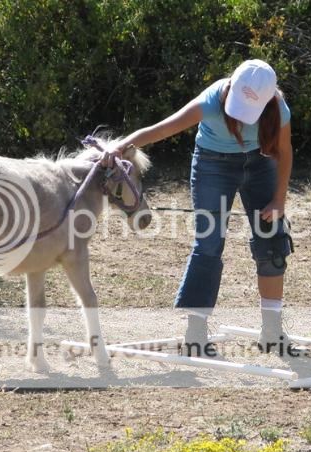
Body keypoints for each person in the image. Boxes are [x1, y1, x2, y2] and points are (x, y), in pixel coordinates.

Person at [103, 59, 297, 357]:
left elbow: (284, 152)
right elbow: (162, 129)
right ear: (231, 87)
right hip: (212, 166)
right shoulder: (210, 100)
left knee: (271, 239)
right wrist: (122, 146)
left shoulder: (279, 108)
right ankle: (196, 333)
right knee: (208, 243)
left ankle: (272, 331)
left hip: (260, 165)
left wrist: (279, 200)